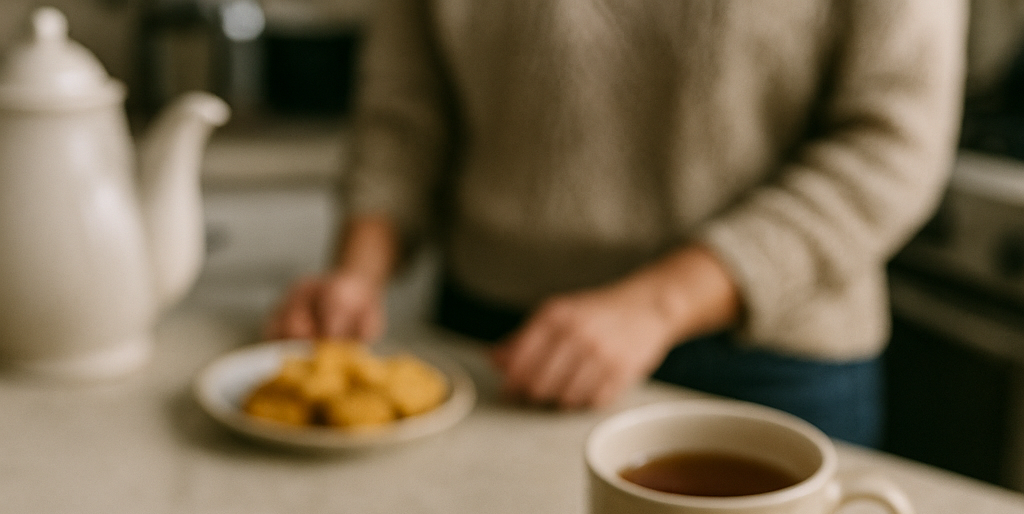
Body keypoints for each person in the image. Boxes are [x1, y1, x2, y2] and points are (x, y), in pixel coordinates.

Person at [268, 0, 967, 446]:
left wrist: (655, 305)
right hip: (496, 340)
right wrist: (358, 271)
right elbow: (403, 112)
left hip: (766, 356)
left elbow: (890, 145)